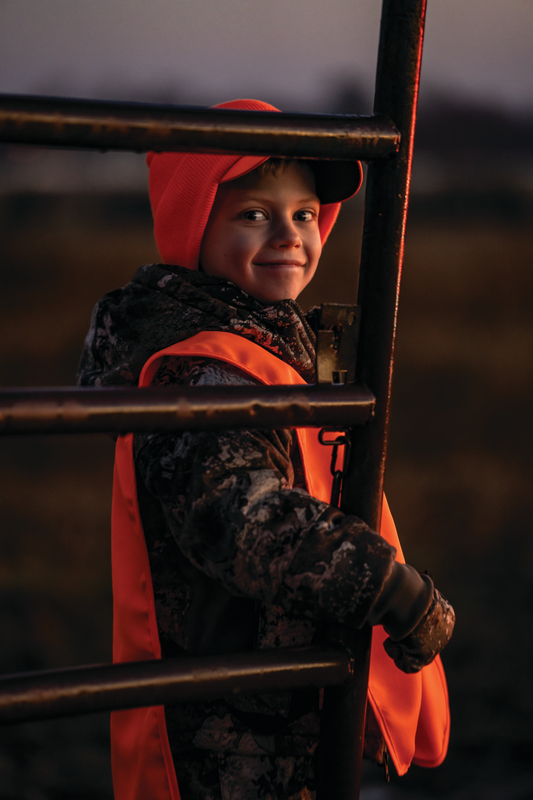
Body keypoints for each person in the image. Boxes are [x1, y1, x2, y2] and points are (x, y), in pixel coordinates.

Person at [78, 99, 455, 800]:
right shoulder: (202, 371)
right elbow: (241, 520)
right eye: (253, 214)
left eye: (305, 214)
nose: (287, 235)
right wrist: (389, 588)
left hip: (279, 716)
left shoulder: (264, 344)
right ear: (193, 222)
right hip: (230, 744)